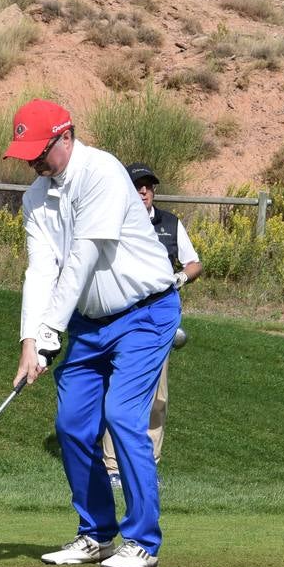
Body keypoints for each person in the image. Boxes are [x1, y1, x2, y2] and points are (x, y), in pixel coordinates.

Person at [5, 99, 180, 567]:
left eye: (39, 151)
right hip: (88, 324)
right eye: (25, 154)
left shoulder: (101, 172)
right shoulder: (35, 199)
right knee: (72, 425)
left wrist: (49, 332)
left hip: (145, 313)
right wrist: (29, 342)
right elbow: (41, 271)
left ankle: (142, 541)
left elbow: (82, 258)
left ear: (66, 137)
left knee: (123, 417)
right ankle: (97, 534)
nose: (32, 163)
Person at [102, 163, 202, 490]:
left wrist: (181, 277)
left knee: (157, 397)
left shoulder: (169, 224)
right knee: (117, 393)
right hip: (122, 318)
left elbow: (193, 262)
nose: (143, 191)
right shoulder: (115, 221)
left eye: (148, 186)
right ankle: (113, 466)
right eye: (137, 185)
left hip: (158, 322)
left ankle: (149, 465)